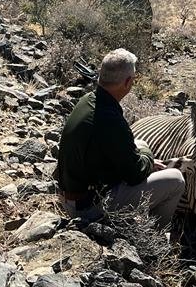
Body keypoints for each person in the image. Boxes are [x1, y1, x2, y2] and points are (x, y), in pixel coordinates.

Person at [55, 48, 185, 229]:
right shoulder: (110, 119)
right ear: (128, 82)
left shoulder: (89, 100)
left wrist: (142, 158)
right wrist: (148, 158)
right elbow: (134, 175)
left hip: (71, 193)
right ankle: (154, 234)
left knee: (139, 143)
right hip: (86, 207)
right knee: (176, 180)